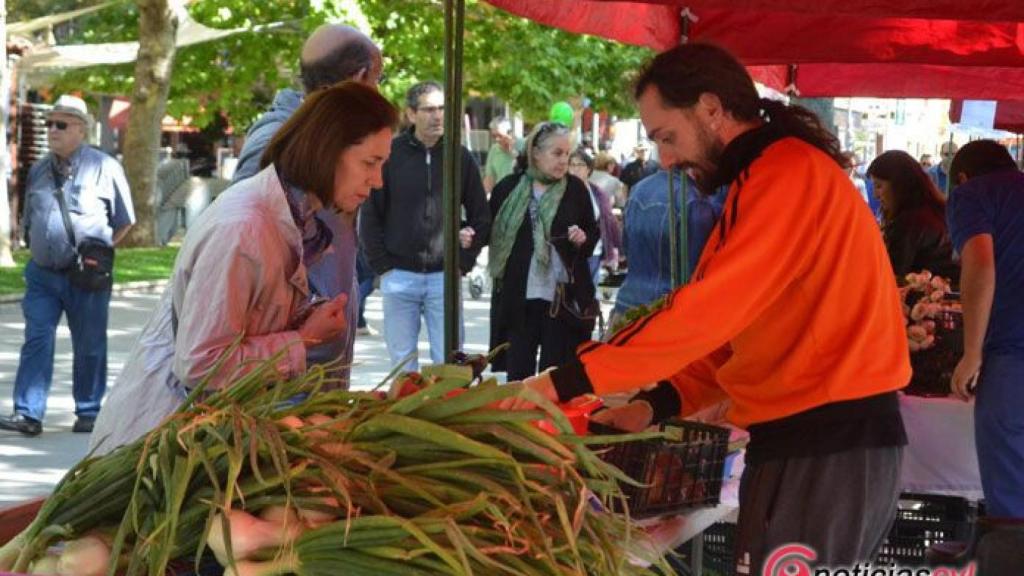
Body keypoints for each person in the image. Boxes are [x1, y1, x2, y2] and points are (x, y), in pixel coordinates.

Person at [504, 44, 910, 573]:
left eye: (667, 137)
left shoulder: (785, 175)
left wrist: (567, 380)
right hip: (808, 445)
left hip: (827, 446)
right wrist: (656, 403)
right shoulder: (759, 181)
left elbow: (708, 311)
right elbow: (734, 334)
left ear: (712, 108)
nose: (666, 160)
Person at [88, 83, 397, 455]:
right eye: (369, 163)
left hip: (209, 440)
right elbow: (201, 363)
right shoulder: (244, 228)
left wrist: (302, 316)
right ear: (327, 150)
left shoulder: (296, 216)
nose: (377, 181)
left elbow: (244, 322)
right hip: (165, 444)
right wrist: (303, 341)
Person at [231, 24, 383, 374]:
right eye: (378, 80)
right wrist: (302, 331)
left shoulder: (321, 136)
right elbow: (244, 243)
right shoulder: (281, 140)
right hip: (278, 371)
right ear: (360, 77)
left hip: (308, 358)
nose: (376, 181)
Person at [0, 95, 134, 437]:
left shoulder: (105, 167)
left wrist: (99, 254)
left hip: (86, 276)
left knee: (89, 344)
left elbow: (125, 221)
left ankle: (88, 410)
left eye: (61, 124)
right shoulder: (39, 169)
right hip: (43, 274)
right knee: (37, 338)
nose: (52, 130)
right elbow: (30, 217)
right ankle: (28, 413)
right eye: (49, 124)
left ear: (81, 129)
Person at [359, 81, 490, 371]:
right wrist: (383, 267)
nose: (438, 116)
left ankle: (445, 416)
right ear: (411, 114)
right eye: (429, 109)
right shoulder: (391, 155)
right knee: (402, 365)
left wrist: (463, 263)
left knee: (449, 365)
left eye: (443, 108)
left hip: (444, 278)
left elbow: (482, 216)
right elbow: (369, 214)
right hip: (399, 276)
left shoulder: (460, 157)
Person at [947, 140, 1024, 518]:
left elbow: (979, 263)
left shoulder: (972, 195)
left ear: (961, 177)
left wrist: (971, 352)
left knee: (1010, 481)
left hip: (1013, 350)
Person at [488, 122, 599, 380]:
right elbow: (488, 230)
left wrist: (582, 238)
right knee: (519, 376)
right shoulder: (508, 188)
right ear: (536, 153)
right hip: (518, 299)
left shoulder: (575, 189)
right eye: (557, 153)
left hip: (561, 301)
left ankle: (548, 422)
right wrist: (466, 235)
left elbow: (593, 234)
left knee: (554, 377)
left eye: (567, 155)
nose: (564, 161)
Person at [611, 167, 722, 325]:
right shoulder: (693, 200)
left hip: (627, 304)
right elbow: (697, 271)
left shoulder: (639, 189)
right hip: (664, 313)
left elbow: (626, 245)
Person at [867, 150, 959, 283]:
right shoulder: (932, 210)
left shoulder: (910, 222)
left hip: (928, 295)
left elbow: (892, 273)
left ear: (899, 185)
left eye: (879, 186)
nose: (875, 195)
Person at [568, 148, 621, 285]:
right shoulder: (562, 192)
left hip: (595, 250)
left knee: (591, 293)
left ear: (589, 169)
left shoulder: (597, 192)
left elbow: (608, 219)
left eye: (579, 165)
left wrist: (614, 248)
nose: (575, 169)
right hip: (571, 253)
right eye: (571, 165)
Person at [483, 116, 517, 195]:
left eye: (500, 136)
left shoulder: (523, 146)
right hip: (501, 196)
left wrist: (512, 152)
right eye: (494, 136)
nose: (496, 139)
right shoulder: (494, 150)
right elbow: (490, 179)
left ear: (510, 133)